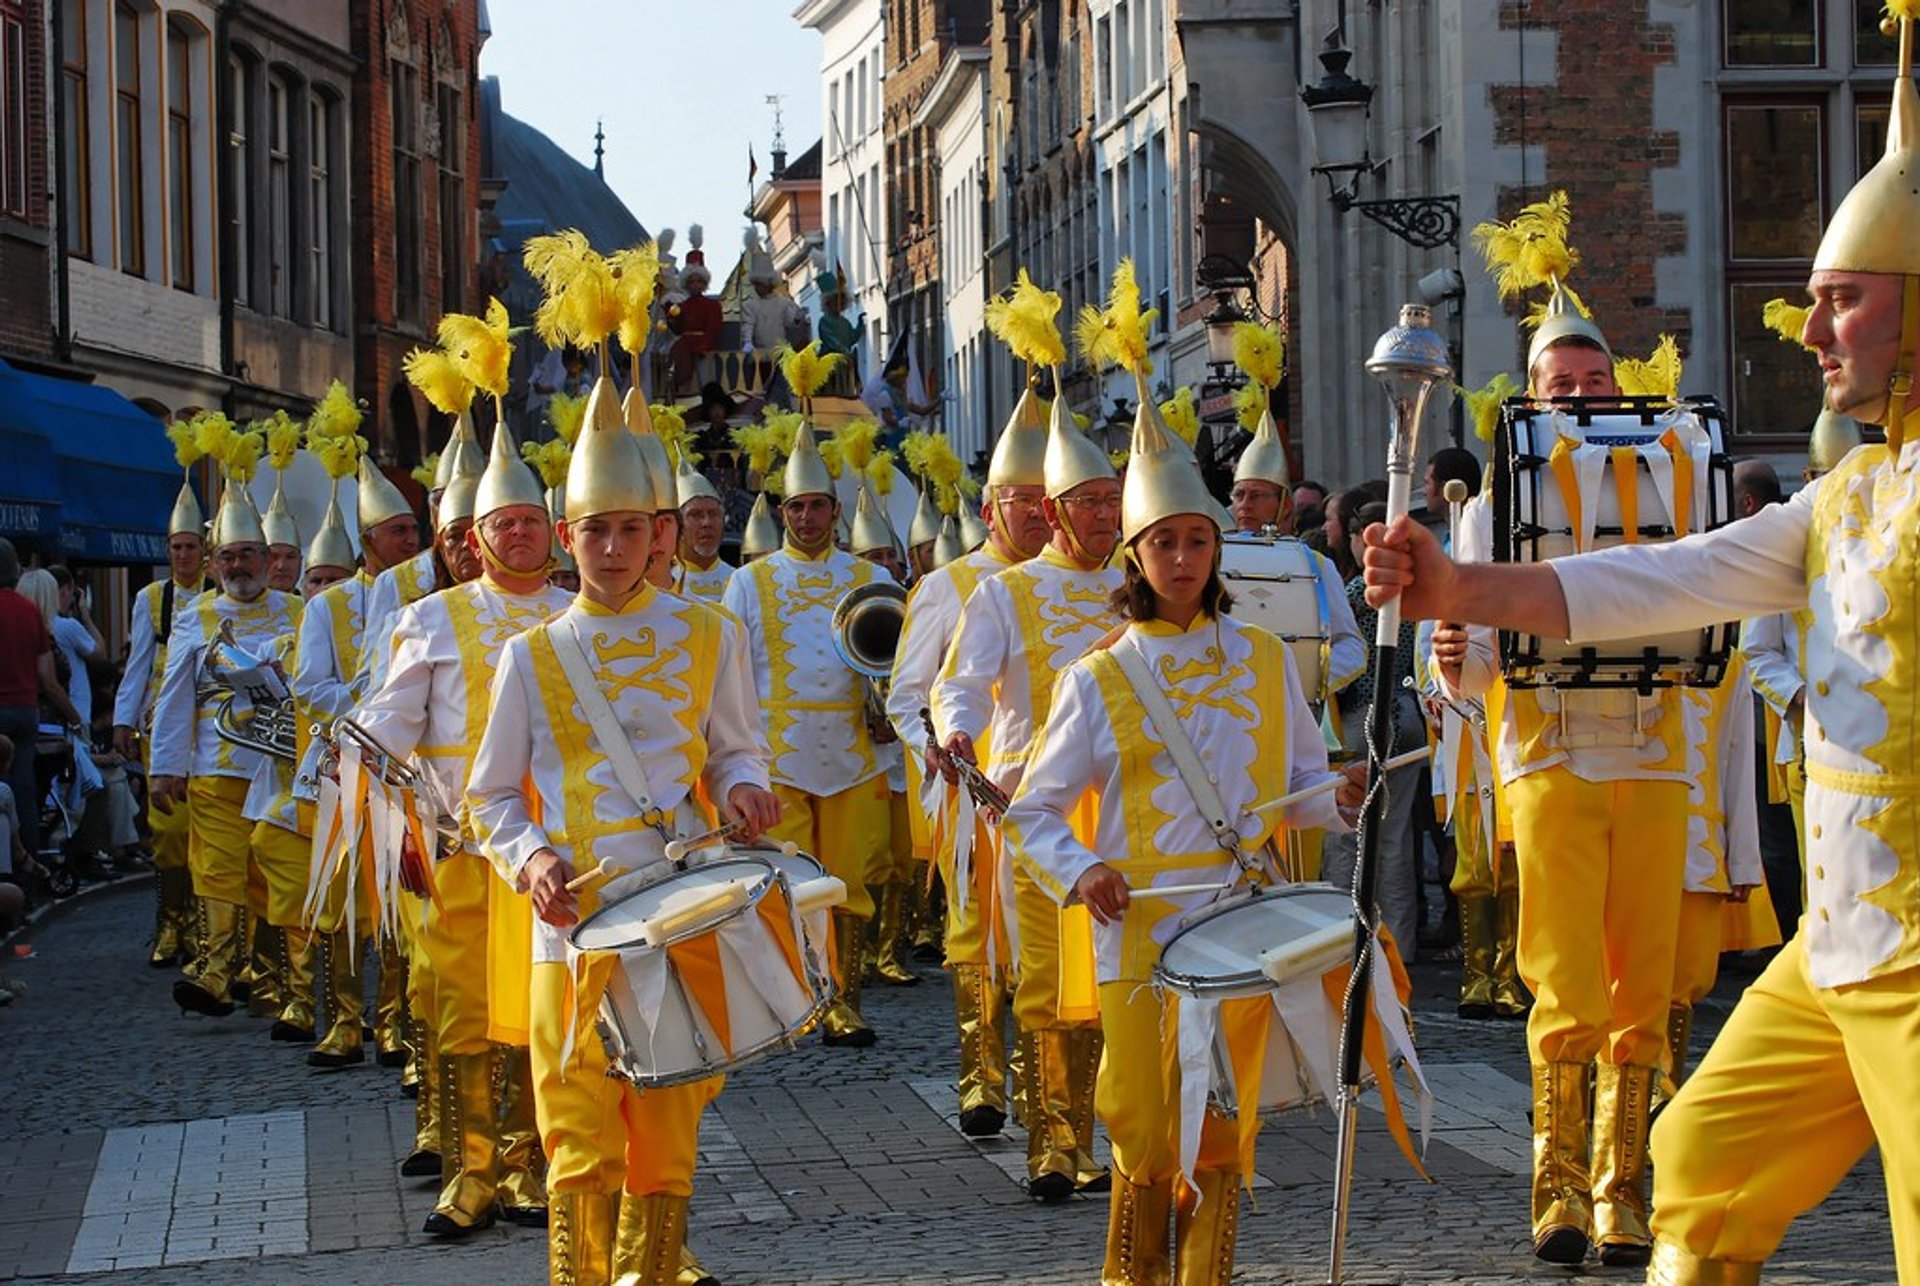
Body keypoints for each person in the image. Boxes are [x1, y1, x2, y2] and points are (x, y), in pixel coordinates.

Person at [1361, 54, 1920, 1273]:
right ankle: (1580, 1184)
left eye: (1847, 299)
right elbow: (1666, 580)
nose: (1814, 327)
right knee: (1703, 1164)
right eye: (1816, 298)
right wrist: (1463, 590)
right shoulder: (1847, 493)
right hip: (1838, 949)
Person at [1003, 399, 1361, 1282]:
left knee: (1224, 1120)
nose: (1183, 560)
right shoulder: (1099, 676)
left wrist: (1344, 796)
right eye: (1163, 544)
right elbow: (1035, 810)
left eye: (1197, 542)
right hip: (1141, 923)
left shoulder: (1269, 659)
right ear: (1135, 556)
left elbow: (1301, 792)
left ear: (1218, 548)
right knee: (1142, 1118)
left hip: (1241, 918)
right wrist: (1083, 869)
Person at [467, 378, 777, 1283]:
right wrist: (528, 861)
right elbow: (490, 796)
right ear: (567, 539)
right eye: (593, 531)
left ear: (661, 535)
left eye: (630, 530)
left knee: (669, 1125)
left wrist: (748, 792)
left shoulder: (713, 634)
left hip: (680, 906)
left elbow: (735, 753)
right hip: (568, 925)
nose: (611, 549)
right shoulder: (529, 655)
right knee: (576, 1127)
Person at [352, 427, 567, 1239]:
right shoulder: (432, 619)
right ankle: (471, 1172)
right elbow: (385, 733)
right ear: (473, 540)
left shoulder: (575, 615)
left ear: (552, 529)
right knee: (465, 1015)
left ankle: (530, 1163)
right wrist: (391, 820)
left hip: (552, 858)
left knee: (537, 1012)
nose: (517, 534)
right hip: (461, 852)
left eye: (530, 521)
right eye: (501, 523)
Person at [934, 390, 1123, 1202]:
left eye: (1116, 500)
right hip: (1035, 810)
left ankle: (1116, 1127)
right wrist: (958, 734)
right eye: (1091, 503)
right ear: (1053, 510)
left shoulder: (1139, 582)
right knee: (1048, 980)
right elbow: (962, 682)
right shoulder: (1004, 593)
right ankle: (1054, 1144)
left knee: (1116, 980)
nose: (1108, 516)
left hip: (1125, 807)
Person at [887, 377, 1050, 1136]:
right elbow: (907, 693)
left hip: (1061, 794)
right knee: (978, 938)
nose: (1040, 517)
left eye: (1050, 501)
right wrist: (938, 751)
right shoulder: (951, 585)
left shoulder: (1085, 583)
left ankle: (1049, 1090)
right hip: (977, 797)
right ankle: (983, 1078)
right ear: (992, 512)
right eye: (1024, 503)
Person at [723, 419, 892, 1046]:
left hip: (853, 750)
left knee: (848, 879)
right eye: (796, 506)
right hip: (780, 754)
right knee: (791, 882)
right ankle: (799, 994)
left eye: (817, 505)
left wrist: (886, 709)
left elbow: (894, 661)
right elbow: (730, 675)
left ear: (835, 509)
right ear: (782, 512)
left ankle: (844, 1000)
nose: (807, 517)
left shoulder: (868, 578)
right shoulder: (749, 581)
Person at [148, 478, 302, 1018]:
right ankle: (215, 971)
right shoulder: (196, 618)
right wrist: (164, 768)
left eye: (248, 555)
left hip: (280, 767)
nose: (239, 566)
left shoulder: (298, 612)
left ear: (267, 558)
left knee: (268, 874)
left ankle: (265, 980)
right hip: (216, 763)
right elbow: (173, 697)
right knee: (218, 867)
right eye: (228, 557)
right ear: (214, 565)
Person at [674, 456, 733, 605]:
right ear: (678, 523)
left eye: (713, 514)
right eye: (695, 515)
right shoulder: (663, 581)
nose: (707, 523)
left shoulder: (740, 580)